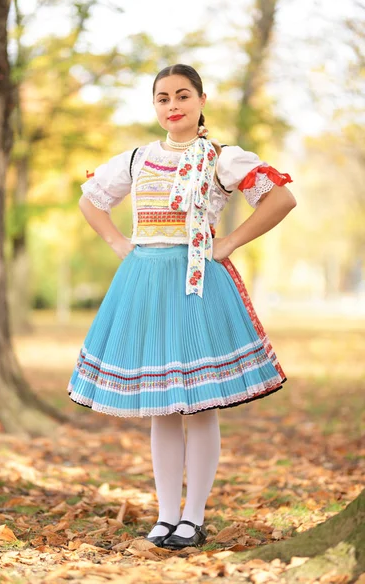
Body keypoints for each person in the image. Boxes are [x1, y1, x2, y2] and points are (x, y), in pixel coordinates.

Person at [68, 64, 296, 550]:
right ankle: (166, 515)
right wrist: (117, 242)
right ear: (155, 106)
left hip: (197, 285)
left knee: (200, 404)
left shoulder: (221, 158)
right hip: (145, 282)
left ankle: (194, 516)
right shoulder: (137, 158)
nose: (173, 106)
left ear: (201, 100)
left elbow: (280, 199)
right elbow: (91, 201)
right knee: (162, 407)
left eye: (183, 96)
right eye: (163, 98)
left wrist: (229, 242)